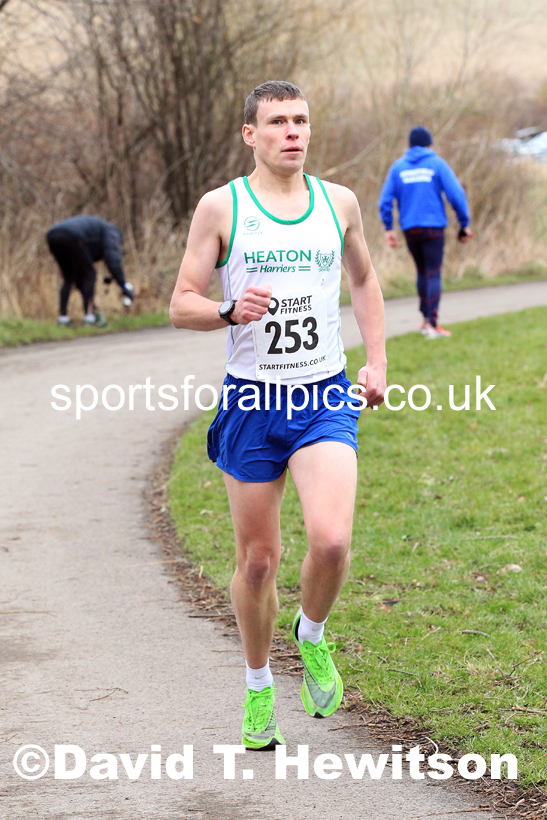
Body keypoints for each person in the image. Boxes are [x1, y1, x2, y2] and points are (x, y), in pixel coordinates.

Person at [170, 81, 386, 749]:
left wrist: (375, 361)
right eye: (276, 122)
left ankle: (312, 634)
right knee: (258, 561)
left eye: (300, 120)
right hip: (251, 401)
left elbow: (363, 281)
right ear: (249, 135)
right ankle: (258, 685)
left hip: (321, 394)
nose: (291, 131)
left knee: (330, 540)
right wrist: (227, 311)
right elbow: (180, 303)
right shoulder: (221, 208)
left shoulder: (337, 203)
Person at [378, 126, 472, 339]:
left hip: (410, 228)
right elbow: (456, 194)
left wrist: (388, 228)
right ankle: (433, 323)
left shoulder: (398, 167)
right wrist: (464, 222)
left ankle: (425, 320)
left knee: (422, 271)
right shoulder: (436, 163)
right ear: (429, 144)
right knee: (433, 272)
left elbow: (385, 201)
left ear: (410, 146)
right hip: (433, 227)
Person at [46, 215, 134, 327]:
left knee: (69, 277)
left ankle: (63, 319)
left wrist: (85, 293)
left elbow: (80, 276)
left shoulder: (98, 233)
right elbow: (113, 261)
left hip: (53, 236)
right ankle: (89, 317)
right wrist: (123, 285)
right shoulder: (112, 232)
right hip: (72, 236)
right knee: (90, 274)